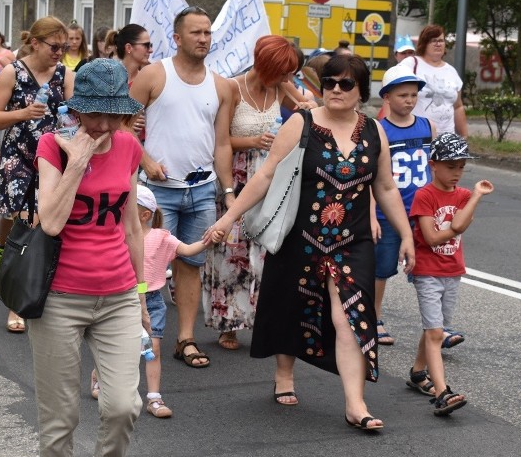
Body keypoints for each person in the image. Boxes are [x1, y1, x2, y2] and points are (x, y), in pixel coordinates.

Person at [205, 55, 416, 430]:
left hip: (353, 241)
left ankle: (355, 403)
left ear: (361, 91)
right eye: (330, 82)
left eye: (346, 84)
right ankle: (284, 374)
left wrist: (407, 235)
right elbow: (265, 176)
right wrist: (227, 217)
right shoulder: (300, 124)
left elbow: (384, 187)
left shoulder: (374, 132)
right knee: (292, 304)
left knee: (349, 314)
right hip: (301, 236)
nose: (335, 89)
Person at [31, 58, 147, 457]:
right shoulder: (51, 145)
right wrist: (77, 162)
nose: (101, 124)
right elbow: (52, 223)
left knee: (123, 406)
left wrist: (140, 296)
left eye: (110, 114)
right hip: (60, 296)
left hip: (117, 292)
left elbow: (132, 227)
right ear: (76, 110)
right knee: (60, 418)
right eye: (92, 113)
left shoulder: (129, 146)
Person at [129, 6, 235, 368]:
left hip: (202, 190)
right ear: (176, 37)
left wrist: (229, 191)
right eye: (195, 33)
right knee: (145, 266)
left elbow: (222, 144)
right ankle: (136, 333)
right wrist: (145, 160)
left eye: (207, 32)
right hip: (157, 194)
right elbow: (121, 126)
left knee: (193, 263)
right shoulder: (153, 75)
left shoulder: (222, 85)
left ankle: (185, 339)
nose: (203, 39)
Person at [203, 35, 300, 353]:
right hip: (237, 174)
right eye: (283, 72)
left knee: (264, 254)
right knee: (233, 253)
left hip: (271, 178)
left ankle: (260, 318)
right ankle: (228, 324)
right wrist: (255, 140)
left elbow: (306, 113)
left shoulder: (281, 87)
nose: (287, 79)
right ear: (265, 66)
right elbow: (221, 142)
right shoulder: (232, 88)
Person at [0, 16, 74, 334]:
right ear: (34, 42)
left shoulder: (66, 75)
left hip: (52, 159)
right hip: (18, 158)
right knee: (21, 222)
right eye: (54, 46)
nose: (59, 53)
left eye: (64, 47)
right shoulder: (13, 72)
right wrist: (22, 113)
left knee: (38, 225)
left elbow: (75, 116)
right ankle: (6, 257)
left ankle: (26, 296)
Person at [408, 133, 494, 415]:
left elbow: (459, 224)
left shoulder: (465, 196)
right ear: (433, 164)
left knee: (434, 328)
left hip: (452, 270)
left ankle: (418, 372)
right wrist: (456, 227)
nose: (457, 173)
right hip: (428, 271)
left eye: (461, 167)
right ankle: (442, 392)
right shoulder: (425, 195)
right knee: (435, 332)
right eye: (450, 166)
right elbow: (432, 238)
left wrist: (477, 196)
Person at [371, 65, 434, 347]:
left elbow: (435, 167)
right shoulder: (379, 130)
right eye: (402, 95)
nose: (409, 100)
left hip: (423, 212)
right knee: (381, 269)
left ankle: (435, 327)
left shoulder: (426, 125)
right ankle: (374, 317)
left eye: (413, 95)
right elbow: (372, 177)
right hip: (389, 213)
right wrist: (372, 214)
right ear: (386, 97)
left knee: (429, 269)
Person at [136, 184, 207, 417]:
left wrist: (208, 240)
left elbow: (187, 250)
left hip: (152, 301)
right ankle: (99, 377)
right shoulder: (118, 235)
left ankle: (154, 398)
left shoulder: (160, 237)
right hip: (124, 299)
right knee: (118, 348)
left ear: (145, 215)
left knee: (152, 348)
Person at [398, 25, 468, 138]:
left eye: (441, 40)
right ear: (424, 43)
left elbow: (458, 107)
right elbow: (392, 95)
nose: (438, 44)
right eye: (433, 40)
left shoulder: (451, 71)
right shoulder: (411, 64)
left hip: (446, 140)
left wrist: (464, 138)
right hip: (416, 137)